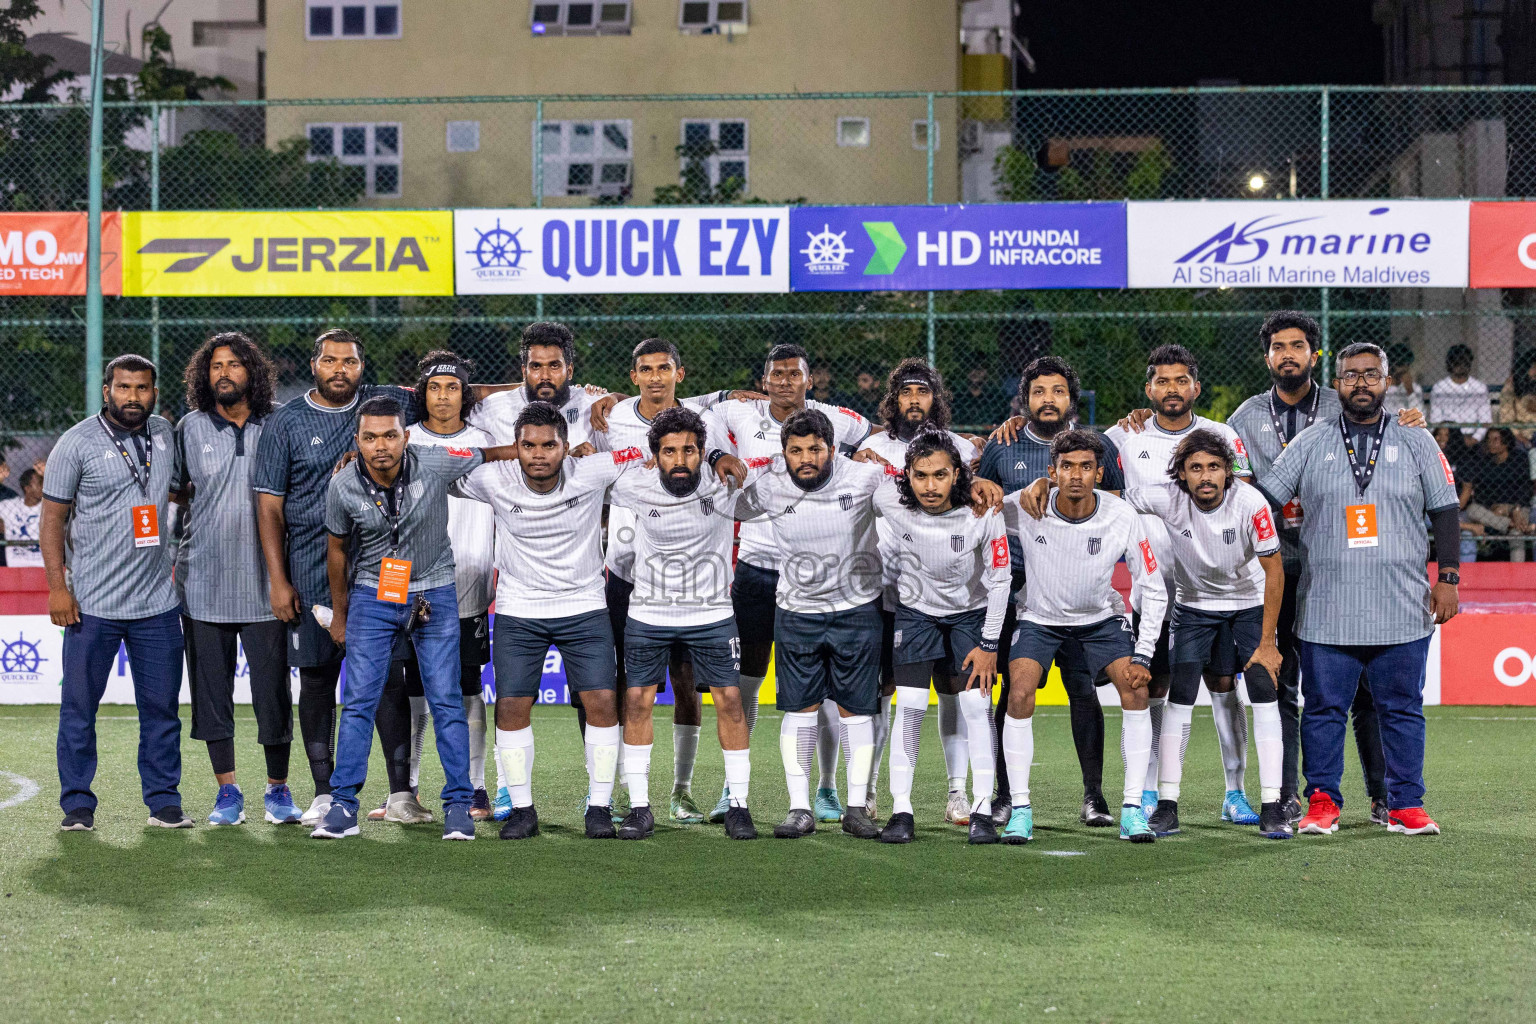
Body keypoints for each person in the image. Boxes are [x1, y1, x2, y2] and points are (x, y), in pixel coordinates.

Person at [452, 403, 739, 840]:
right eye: (528, 446)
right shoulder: (493, 478)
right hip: (519, 610)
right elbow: (435, 465)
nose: (538, 455)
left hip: (584, 607)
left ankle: (600, 807)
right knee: (510, 707)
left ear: (567, 448)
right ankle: (523, 809)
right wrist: (496, 453)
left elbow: (651, 450)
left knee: (603, 704)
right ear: (517, 447)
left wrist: (716, 456)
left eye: (550, 445)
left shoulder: (594, 469)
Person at [733, 409, 1002, 840]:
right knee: (799, 712)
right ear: (782, 453)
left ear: (834, 449)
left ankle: (856, 807)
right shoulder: (768, 486)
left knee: (859, 711)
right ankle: (799, 807)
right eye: (796, 451)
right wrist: (715, 460)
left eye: (816, 449)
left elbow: (919, 483)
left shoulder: (865, 479)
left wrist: (975, 484)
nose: (806, 458)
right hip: (797, 612)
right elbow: (725, 502)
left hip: (857, 610)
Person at [1022, 430, 1291, 838]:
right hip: (1193, 605)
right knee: (1179, 696)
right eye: (1195, 468)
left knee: (1262, 689)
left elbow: (1275, 570)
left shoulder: (1251, 504)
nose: (1205, 476)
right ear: (1181, 474)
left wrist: (1268, 642)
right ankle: (1167, 804)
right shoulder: (1165, 496)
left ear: (1228, 472)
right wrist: (1046, 482)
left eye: (1214, 468)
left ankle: (1271, 803)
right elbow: (1101, 495)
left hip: (1248, 603)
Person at [1259, 342, 1461, 837]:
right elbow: (1263, 499)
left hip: (1403, 604)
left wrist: (1450, 579)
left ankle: (1405, 804)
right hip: (1328, 607)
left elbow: (1446, 511)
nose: (1362, 384)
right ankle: (1323, 802)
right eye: (1351, 376)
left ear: (1386, 381)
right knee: (1324, 711)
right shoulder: (1309, 442)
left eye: (1371, 375)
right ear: (1338, 384)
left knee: (1402, 710)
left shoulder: (1418, 440)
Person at [1230, 312, 1417, 824]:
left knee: (1365, 691)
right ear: (1266, 356)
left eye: (1298, 345)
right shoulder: (1243, 419)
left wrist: (1410, 421)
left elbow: (1393, 438)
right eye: (1277, 346)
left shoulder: (1346, 403)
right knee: (1282, 682)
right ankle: (1291, 793)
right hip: (1274, 568)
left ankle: (1384, 796)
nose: (1287, 354)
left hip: (1339, 567)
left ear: (1315, 355)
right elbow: (1243, 495)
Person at [315, 395, 519, 840]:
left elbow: (489, 453)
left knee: (446, 699)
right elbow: (336, 550)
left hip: (434, 592)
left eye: (390, 435)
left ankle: (459, 806)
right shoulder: (343, 486)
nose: (380, 445)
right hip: (373, 593)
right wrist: (341, 615)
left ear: (406, 437)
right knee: (358, 703)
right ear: (358, 440)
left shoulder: (435, 461)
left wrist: (535, 447)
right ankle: (343, 806)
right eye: (370, 437)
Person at [253, 328, 419, 826]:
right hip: (309, 567)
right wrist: (278, 581)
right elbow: (268, 507)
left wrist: (581, 394)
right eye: (330, 360)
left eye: (349, 361)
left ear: (361, 367)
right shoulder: (286, 422)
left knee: (388, 679)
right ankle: (325, 792)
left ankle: (400, 794)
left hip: (381, 566)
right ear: (314, 365)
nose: (340, 369)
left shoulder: (384, 405)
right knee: (318, 679)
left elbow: (452, 392)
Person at [589, 338, 743, 825]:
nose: (656, 377)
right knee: (625, 687)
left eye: (665, 369)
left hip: (698, 588)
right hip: (626, 572)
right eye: (646, 369)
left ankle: (682, 789)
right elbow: (588, 472)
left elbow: (730, 454)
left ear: (680, 373)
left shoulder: (704, 420)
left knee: (687, 683)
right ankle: (615, 792)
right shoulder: (609, 418)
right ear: (633, 376)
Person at [714, 344, 871, 824]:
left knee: (823, 692)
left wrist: (870, 453)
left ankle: (825, 789)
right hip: (760, 569)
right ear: (763, 381)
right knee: (748, 680)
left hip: (827, 580)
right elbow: (689, 421)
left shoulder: (834, 420)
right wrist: (720, 452)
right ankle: (731, 788)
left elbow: (879, 436)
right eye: (776, 374)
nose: (784, 381)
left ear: (809, 381)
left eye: (793, 374)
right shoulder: (737, 411)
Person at [1104, 345, 1255, 824]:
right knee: (1156, 684)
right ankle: (1149, 791)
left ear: (1196, 386)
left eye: (1181, 380)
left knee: (1224, 683)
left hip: (1216, 591)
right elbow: (1083, 474)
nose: (1172, 389)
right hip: (1153, 594)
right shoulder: (1123, 438)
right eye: (1162, 382)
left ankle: (1236, 792)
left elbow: (1247, 500)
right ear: (1148, 390)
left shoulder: (1222, 436)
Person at [44, 354, 189, 831]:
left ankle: (164, 801)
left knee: (162, 712)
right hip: (92, 605)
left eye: (142, 388)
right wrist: (58, 588)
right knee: (80, 711)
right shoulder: (76, 443)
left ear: (154, 392)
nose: (133, 397)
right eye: (123, 387)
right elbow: (52, 520)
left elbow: (173, 490)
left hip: (157, 605)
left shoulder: (165, 435)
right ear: (107, 389)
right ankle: (78, 805)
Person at [980, 356, 1126, 829]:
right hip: (1017, 591)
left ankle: (1094, 796)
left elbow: (1115, 509)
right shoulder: (1003, 447)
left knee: (1083, 689)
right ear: (1025, 399)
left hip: (1080, 591)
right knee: (1013, 690)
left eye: (1058, 390)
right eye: (1039, 391)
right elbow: (984, 509)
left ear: (1071, 397)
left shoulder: (1098, 446)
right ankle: (1005, 795)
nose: (1049, 399)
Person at [1001, 430, 1166, 844]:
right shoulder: (1026, 505)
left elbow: (1154, 585)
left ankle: (1132, 810)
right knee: (1019, 692)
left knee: (1135, 689)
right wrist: (987, 486)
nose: (1077, 475)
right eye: (1067, 466)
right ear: (1052, 471)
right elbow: (975, 505)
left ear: (1099, 472)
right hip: (1039, 617)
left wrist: (1144, 654)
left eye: (1086, 467)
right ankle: (1020, 809)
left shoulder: (1121, 515)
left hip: (1099, 619)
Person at [607, 406, 759, 840]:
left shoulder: (724, 484)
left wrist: (718, 460)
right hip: (649, 612)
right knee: (636, 700)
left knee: (730, 701)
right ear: (654, 455)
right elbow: (589, 471)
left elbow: (770, 474)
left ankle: (739, 806)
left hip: (711, 613)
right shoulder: (635, 483)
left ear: (702, 452)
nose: (679, 460)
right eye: (669, 451)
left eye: (690, 451)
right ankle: (640, 807)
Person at [173, 332, 301, 828]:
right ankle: (227, 793)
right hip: (202, 585)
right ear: (205, 376)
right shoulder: (188, 428)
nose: (223, 372)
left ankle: (277, 789)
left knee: (272, 693)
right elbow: (176, 492)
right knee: (210, 695)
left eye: (234, 364)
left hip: (269, 587)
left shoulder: (279, 423)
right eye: (215, 366)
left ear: (253, 371)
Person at [857, 358, 984, 826]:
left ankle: (957, 791)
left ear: (936, 399)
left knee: (954, 688)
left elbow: (977, 499)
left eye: (923, 392)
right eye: (906, 392)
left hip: (948, 593)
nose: (914, 400)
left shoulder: (959, 449)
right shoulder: (870, 448)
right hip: (887, 586)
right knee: (883, 691)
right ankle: (867, 791)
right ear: (893, 400)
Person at [872, 429, 1010, 845]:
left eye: (940, 475)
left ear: (957, 475)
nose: (929, 486)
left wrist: (988, 646)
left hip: (970, 617)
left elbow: (1000, 580)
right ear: (906, 476)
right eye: (920, 475)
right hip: (915, 616)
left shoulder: (983, 511)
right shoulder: (889, 500)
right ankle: (902, 810)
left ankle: (982, 810)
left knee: (975, 705)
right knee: (909, 705)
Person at [403, 351, 498, 819]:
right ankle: (410, 786)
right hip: (411, 583)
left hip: (468, 580)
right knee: (414, 688)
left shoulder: (487, 440)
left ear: (465, 393)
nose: (443, 396)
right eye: (435, 387)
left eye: (453, 387)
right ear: (423, 393)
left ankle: (477, 787)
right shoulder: (403, 440)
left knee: (466, 687)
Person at [1466, 427, 1534, 560]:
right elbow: (1481, 492)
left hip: (1518, 507)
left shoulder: (1519, 459)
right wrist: (1494, 507)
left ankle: (1517, 574)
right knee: (1472, 509)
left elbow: (1525, 489)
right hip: (1494, 510)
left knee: (1516, 535)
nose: (1491, 443)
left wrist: (1512, 508)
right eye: (1489, 440)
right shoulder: (1483, 462)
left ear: (1506, 441)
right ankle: (1508, 524)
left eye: (1496, 439)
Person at [1430, 343, 1492, 440]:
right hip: (1448, 437)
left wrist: (1475, 438)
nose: (1461, 366)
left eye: (1464, 363)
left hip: (1472, 436)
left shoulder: (1479, 387)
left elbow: (1485, 419)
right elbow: (1436, 420)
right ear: (1450, 364)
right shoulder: (1439, 388)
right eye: (1457, 363)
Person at [0, 463, 46, 566]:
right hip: (15, 567)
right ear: (27, 488)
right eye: (40, 483)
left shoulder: (48, 507)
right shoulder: (10, 506)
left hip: (41, 567)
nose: (44, 486)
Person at [950, 364, 1006, 429]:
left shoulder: (995, 397)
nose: (975, 373)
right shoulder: (957, 398)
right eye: (971, 369)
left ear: (985, 372)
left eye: (979, 370)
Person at [1383, 343, 1425, 418]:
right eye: (1400, 364)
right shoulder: (1381, 388)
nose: (1405, 368)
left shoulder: (1415, 388)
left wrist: (1410, 391)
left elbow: (1420, 417)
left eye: (1408, 364)